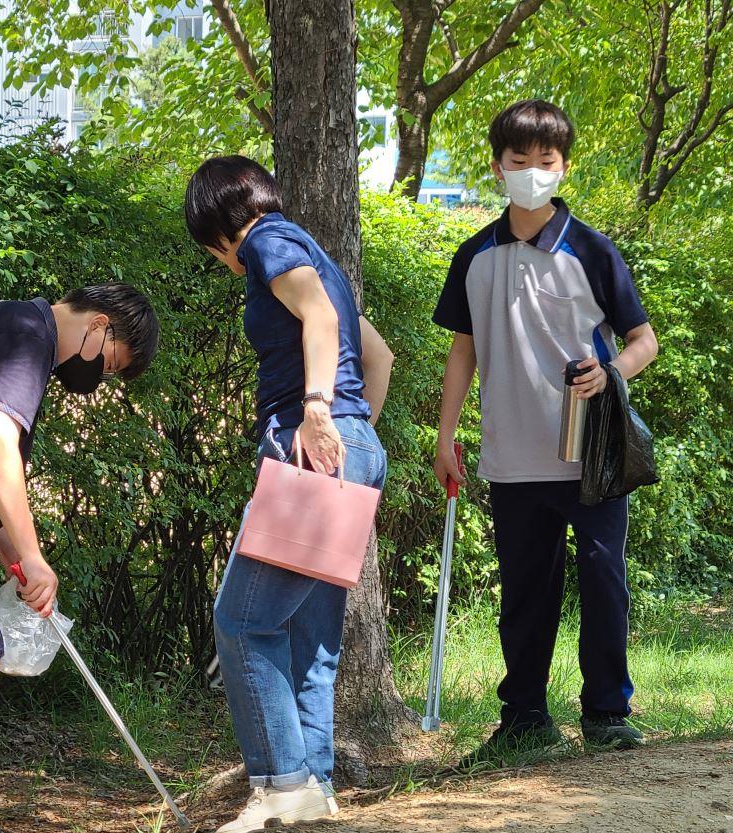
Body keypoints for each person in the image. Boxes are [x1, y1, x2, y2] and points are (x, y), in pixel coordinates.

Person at [431, 100, 659, 767]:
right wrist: (446, 437)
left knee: (604, 578)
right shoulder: (473, 255)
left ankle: (608, 712)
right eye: (518, 161)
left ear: (564, 165)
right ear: (497, 166)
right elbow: (462, 352)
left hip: (592, 448)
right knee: (525, 590)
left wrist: (612, 370)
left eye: (546, 162)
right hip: (511, 452)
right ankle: (525, 717)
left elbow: (645, 340)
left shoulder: (592, 248)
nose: (532, 172)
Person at [184, 156, 395, 832]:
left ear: (218, 227)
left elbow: (318, 319)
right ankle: (316, 787)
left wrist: (314, 410)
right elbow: (379, 353)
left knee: (242, 620)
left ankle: (281, 786)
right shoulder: (316, 252)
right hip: (351, 448)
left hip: (313, 445)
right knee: (310, 635)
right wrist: (352, 435)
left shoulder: (266, 240)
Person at [0, 284, 159, 833]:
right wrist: (33, 554)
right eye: (112, 364)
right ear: (98, 326)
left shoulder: (10, 322)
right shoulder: (30, 337)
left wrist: (13, 556)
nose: (101, 377)